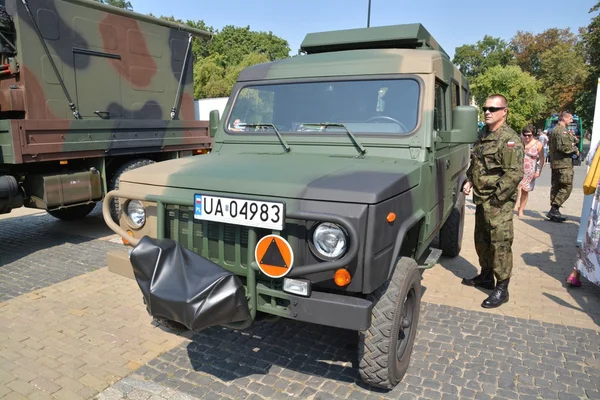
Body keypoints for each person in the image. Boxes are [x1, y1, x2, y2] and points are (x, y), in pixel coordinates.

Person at [461, 94, 524, 308]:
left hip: (498, 203)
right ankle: (486, 276)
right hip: (481, 200)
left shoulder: (509, 140)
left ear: (504, 111)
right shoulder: (484, 134)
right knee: (482, 240)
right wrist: (469, 179)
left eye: (493, 109)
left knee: (500, 244)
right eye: (486, 108)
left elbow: (514, 174)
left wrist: (495, 198)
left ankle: (502, 288)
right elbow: (477, 161)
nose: (487, 112)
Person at [547, 111, 579, 222]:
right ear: (564, 118)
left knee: (557, 186)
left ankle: (554, 211)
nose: (571, 121)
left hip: (558, 163)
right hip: (563, 164)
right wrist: (575, 150)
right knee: (566, 186)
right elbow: (563, 147)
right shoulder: (561, 131)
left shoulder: (556, 130)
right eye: (570, 118)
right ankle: (554, 208)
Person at [514, 125, 545, 218]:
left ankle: (521, 210)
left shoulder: (538, 144)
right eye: (525, 135)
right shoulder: (519, 142)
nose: (527, 137)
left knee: (525, 190)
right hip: (518, 169)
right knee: (516, 187)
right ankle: (515, 205)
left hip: (530, 170)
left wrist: (539, 171)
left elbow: (542, 159)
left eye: (529, 135)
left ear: (533, 135)